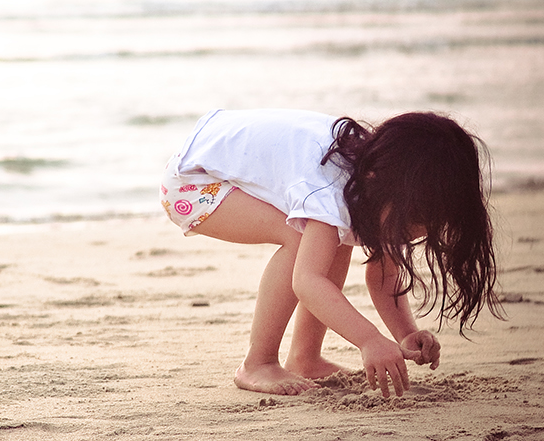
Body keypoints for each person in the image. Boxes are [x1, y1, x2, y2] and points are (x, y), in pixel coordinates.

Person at [162, 109, 500, 397]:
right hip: (192, 182)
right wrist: (369, 340)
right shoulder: (329, 190)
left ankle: (305, 358)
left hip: (220, 157)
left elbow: (384, 274)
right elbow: (307, 281)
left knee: (332, 237)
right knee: (300, 239)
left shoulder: (382, 175)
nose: (411, 236)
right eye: (412, 225)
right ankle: (258, 362)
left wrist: (405, 334)